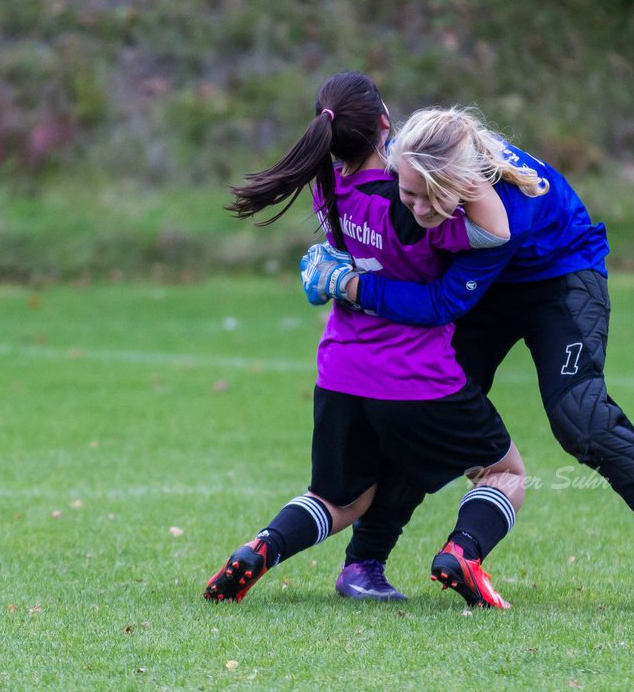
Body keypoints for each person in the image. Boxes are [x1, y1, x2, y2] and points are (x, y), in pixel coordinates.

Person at [302, 105, 634, 610]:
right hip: (486, 288)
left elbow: (440, 303)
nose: (419, 210)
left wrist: (353, 284)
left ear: (462, 185)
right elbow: (389, 227)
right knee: (423, 401)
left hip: (559, 278)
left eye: (432, 200)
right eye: (410, 195)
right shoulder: (419, 155)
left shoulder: (500, 209)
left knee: (580, 417)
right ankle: (365, 565)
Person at [204, 71, 526, 608]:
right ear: (386, 124)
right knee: (503, 472)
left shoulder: (325, 189)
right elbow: (493, 231)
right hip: (416, 378)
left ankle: (261, 547)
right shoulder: (414, 208)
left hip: (341, 375)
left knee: (338, 499)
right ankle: (463, 552)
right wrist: (458, 165)